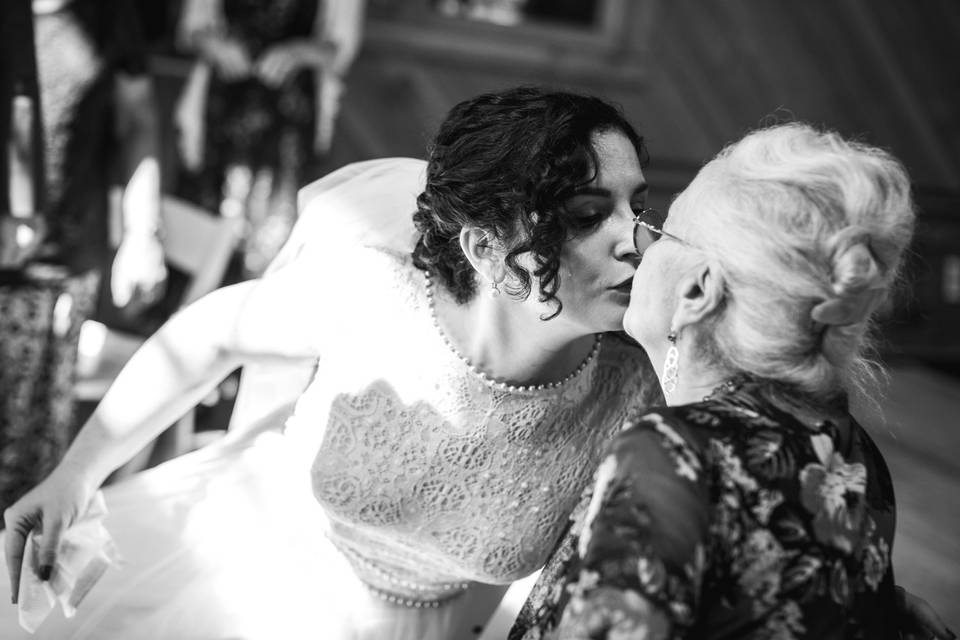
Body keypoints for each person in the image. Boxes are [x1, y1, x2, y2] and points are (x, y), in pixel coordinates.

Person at [1, 86, 663, 639]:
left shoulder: (632, 390)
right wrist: (76, 473)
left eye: (637, 207)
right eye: (586, 213)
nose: (635, 241)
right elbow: (208, 334)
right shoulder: (376, 295)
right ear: (487, 245)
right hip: (245, 580)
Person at [508, 123, 956, 639]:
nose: (639, 249)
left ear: (698, 290)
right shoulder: (854, 451)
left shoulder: (673, 454)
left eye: (661, 232)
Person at [0, 0, 166, 517]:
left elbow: (138, 118)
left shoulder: (111, 13)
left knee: (31, 463)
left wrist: (143, 231)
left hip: (63, 268)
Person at [173, 0, 366, 280]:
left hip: (290, 118)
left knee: (274, 234)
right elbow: (190, 30)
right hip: (221, 110)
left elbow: (343, 47)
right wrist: (216, 45)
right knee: (203, 224)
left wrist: (300, 52)